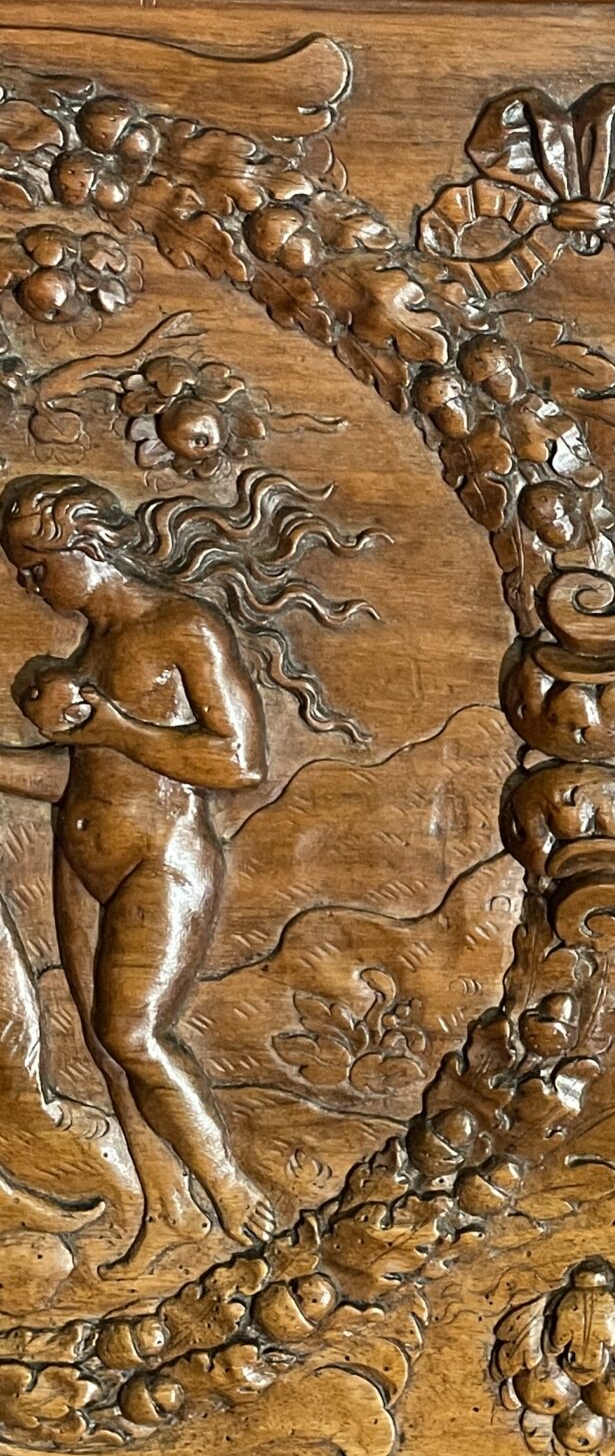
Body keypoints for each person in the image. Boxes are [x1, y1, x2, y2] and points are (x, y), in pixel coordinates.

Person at [0, 472, 370, 1276]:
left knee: (132, 1034)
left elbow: (237, 761)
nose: (30, 585)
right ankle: (170, 1212)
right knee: (105, 1048)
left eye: (36, 566)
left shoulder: (181, 627)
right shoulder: (89, 650)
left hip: (159, 861)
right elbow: (76, 778)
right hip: (82, 862)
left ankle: (230, 1189)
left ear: (85, 546)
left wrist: (115, 726)